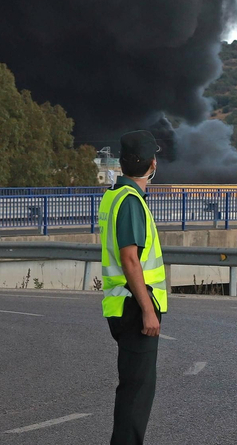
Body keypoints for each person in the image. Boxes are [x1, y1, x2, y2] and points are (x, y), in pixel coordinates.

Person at [98, 129, 168, 445]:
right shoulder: (130, 201)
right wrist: (148, 311)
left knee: (132, 389)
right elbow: (130, 260)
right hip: (134, 307)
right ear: (152, 164)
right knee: (137, 393)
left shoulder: (116, 195)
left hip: (120, 304)